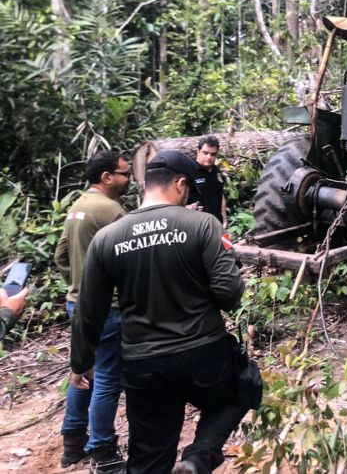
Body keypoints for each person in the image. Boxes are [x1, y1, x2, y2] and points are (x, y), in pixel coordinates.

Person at [70, 150, 246, 474]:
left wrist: (80, 363)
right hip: (204, 354)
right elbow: (230, 294)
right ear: (180, 184)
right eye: (189, 190)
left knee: (149, 457)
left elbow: (88, 312)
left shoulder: (107, 239)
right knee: (243, 389)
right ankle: (198, 458)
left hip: (143, 364)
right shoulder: (204, 225)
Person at [54, 150, 130, 473]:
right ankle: (102, 451)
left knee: (83, 370)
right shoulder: (111, 211)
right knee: (108, 378)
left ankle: (72, 442)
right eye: (124, 174)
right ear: (106, 177)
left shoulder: (76, 207)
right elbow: (131, 259)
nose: (129, 179)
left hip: (77, 303)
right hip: (107, 309)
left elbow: (60, 256)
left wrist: (77, 283)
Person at [188, 136, 227, 228]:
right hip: (196, 225)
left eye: (213, 154)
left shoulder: (216, 170)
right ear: (198, 151)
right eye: (205, 153)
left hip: (217, 224)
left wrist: (224, 218)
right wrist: (187, 208)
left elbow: (220, 195)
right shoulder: (189, 171)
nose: (209, 157)